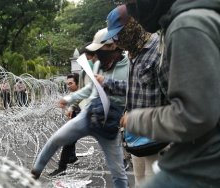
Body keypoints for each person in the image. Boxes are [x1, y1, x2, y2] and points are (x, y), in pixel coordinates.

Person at [119, 0, 220, 187]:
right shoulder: (181, 23)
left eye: (131, 2)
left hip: (206, 154)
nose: (133, 11)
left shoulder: (186, 26)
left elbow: (194, 114)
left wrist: (136, 120)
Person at [31, 28, 128, 188]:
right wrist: (69, 99)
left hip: (109, 124)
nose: (96, 55)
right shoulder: (99, 65)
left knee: (118, 173)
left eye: (99, 50)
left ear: (112, 46)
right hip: (88, 115)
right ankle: (35, 172)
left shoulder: (128, 66)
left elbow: (134, 89)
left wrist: (108, 83)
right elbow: (89, 89)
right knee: (56, 139)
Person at [97, 5, 169, 187]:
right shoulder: (133, 53)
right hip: (136, 140)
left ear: (133, 25)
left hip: (157, 141)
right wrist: (107, 83)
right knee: (138, 182)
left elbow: (175, 101)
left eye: (118, 34)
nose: (116, 41)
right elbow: (135, 88)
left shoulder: (158, 51)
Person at [48, 73, 81, 177]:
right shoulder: (75, 94)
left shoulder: (83, 93)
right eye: (67, 84)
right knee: (70, 141)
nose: (68, 86)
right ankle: (72, 158)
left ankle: (62, 168)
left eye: (70, 83)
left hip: (88, 120)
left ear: (78, 83)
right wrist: (69, 108)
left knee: (68, 142)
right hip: (79, 118)